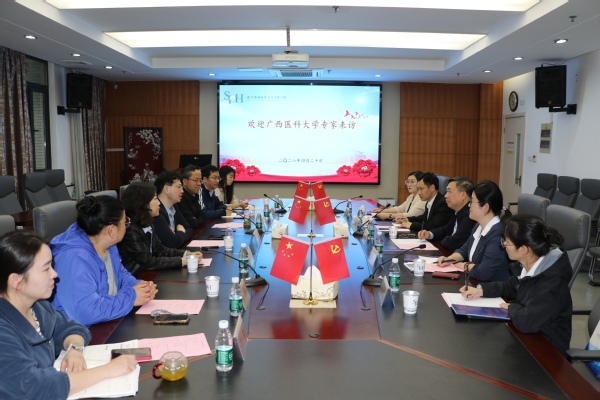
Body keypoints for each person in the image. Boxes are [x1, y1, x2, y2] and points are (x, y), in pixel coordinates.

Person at [0, 231, 138, 399]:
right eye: (46, 269)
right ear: (16, 280)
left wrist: (75, 348)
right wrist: (107, 370)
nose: (54, 274)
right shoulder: (3, 331)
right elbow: (34, 388)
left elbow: (71, 327)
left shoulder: (37, 306)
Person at [460, 215, 573, 357]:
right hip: (527, 339)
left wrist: (511, 307)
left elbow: (526, 322)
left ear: (523, 249)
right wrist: (481, 290)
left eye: (506, 242)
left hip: (546, 351)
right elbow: (511, 286)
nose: (503, 245)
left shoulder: (553, 282)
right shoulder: (529, 263)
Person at [51, 196, 158, 327]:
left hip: (104, 321)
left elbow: (120, 274)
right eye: (125, 222)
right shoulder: (74, 258)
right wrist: (131, 297)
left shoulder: (108, 244)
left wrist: (142, 287)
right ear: (111, 230)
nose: (127, 226)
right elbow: (85, 313)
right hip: (74, 333)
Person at [118, 182, 203, 276]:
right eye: (155, 199)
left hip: (147, 273)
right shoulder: (130, 229)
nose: (159, 203)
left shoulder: (146, 221)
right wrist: (183, 261)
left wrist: (186, 254)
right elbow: (147, 262)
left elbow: (160, 249)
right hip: (136, 276)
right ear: (143, 203)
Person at [437, 180, 511, 282]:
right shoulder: (478, 226)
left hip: (492, 288)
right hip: (476, 282)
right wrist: (449, 259)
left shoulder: (498, 234)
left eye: (472, 201)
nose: (469, 205)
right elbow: (465, 249)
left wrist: (465, 265)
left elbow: (483, 272)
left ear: (485, 207)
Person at [418, 177, 476, 251]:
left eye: (449, 191)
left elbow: (454, 242)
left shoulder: (470, 215)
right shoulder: (458, 211)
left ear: (463, 195)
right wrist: (429, 234)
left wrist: (443, 240)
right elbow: (446, 229)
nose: (445, 195)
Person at [153, 170, 194, 248]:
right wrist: (181, 232)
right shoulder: (156, 211)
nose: (182, 191)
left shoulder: (174, 206)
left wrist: (177, 235)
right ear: (166, 189)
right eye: (179, 187)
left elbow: (189, 229)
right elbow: (173, 243)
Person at [178, 164, 207, 229]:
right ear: (185, 181)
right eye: (196, 180)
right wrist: (195, 219)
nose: (199, 184)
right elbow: (191, 223)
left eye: (200, 180)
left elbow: (203, 216)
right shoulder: (180, 198)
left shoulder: (194, 195)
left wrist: (196, 219)